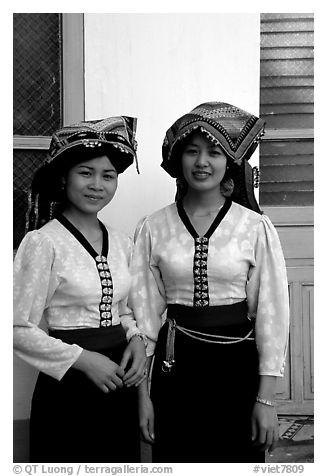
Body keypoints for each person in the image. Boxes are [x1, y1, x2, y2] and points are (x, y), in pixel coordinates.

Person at [129, 102, 289, 463]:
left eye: (214, 152)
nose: (202, 162)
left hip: (238, 369)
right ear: (178, 160)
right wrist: (144, 397)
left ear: (228, 161)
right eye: (192, 151)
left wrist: (266, 399)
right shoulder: (153, 228)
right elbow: (144, 317)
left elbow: (272, 315)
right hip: (177, 369)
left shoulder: (254, 227)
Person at [13, 116, 148, 463]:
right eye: (85, 173)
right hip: (69, 389)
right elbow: (15, 327)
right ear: (64, 178)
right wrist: (83, 360)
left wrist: (134, 338)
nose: (97, 185)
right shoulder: (43, 243)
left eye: (108, 176)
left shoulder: (122, 242)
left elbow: (123, 308)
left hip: (119, 382)